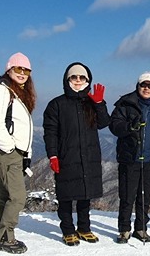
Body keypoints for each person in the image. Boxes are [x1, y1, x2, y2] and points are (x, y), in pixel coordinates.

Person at [43, 62, 110, 246]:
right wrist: (53, 155)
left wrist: (99, 103)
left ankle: (84, 228)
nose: (78, 80)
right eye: (74, 77)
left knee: (84, 196)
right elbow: (50, 132)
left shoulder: (92, 103)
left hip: (89, 157)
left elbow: (104, 122)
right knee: (65, 196)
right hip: (67, 157)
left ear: (88, 80)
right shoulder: (56, 104)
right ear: (67, 80)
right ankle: (67, 230)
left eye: (82, 77)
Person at [109, 73, 150, 244]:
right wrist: (129, 127)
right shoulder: (126, 104)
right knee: (127, 196)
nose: (146, 88)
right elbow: (114, 125)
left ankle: (141, 228)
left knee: (144, 196)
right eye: (143, 85)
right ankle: (124, 230)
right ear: (137, 86)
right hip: (130, 158)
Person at [0, 52, 37, 254]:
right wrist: (9, 147)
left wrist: (26, 154)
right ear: (9, 70)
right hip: (6, 151)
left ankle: (0, 232)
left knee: (4, 193)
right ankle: (5, 237)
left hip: (12, 151)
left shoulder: (16, 92)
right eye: (18, 69)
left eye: (26, 70)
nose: (22, 73)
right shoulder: (1, 91)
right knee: (17, 197)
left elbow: (24, 128)